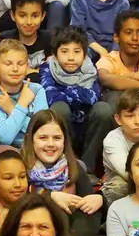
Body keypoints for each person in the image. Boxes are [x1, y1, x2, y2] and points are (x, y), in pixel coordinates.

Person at [20, 110, 104, 236]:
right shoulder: (20, 165)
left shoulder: (74, 167)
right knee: (57, 210)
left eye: (57, 138)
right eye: (43, 138)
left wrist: (99, 198)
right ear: (30, 139)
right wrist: (50, 196)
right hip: (33, 234)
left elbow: (87, 201)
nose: (51, 144)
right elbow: (18, 201)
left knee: (89, 212)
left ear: (65, 140)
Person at [40, 26, 111, 165]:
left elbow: (92, 97)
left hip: (86, 127)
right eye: (64, 51)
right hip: (61, 129)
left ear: (84, 54)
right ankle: (68, 164)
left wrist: (64, 91)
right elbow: (51, 96)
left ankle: (88, 167)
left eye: (77, 52)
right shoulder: (47, 68)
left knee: (103, 109)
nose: (71, 57)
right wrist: (78, 93)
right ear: (55, 55)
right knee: (59, 108)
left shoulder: (90, 70)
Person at [0, 38, 48, 149]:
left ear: (27, 66)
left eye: (20, 64)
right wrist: (22, 104)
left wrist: (11, 109)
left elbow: (44, 131)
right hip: (6, 153)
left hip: (36, 149)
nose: (15, 69)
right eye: (8, 64)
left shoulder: (37, 91)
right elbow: (5, 138)